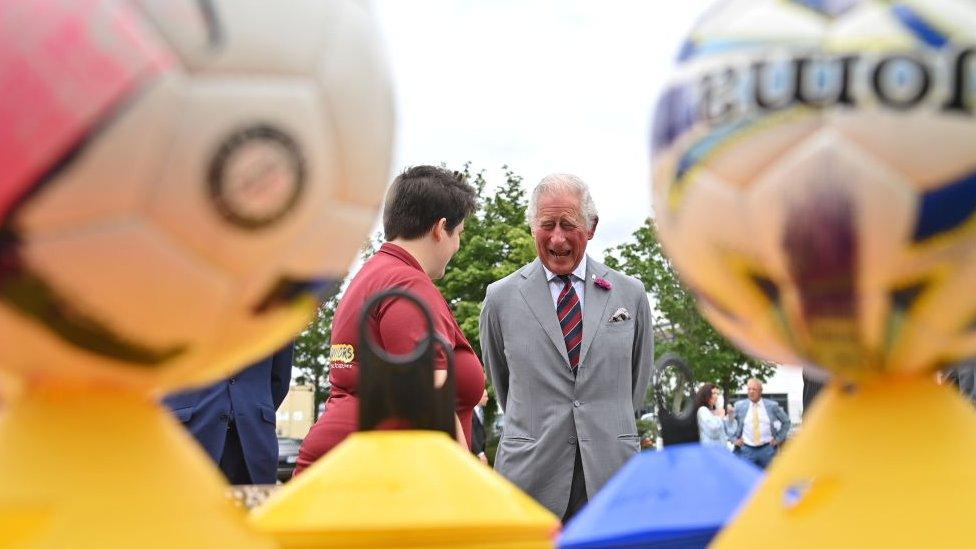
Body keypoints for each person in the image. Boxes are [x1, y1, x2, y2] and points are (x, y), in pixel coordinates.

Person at [479, 173, 654, 522]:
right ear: (532, 227)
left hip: (610, 473)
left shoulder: (629, 294)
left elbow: (637, 381)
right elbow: (503, 384)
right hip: (531, 476)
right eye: (547, 225)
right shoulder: (500, 298)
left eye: (568, 224)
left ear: (591, 227)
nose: (557, 238)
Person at [294, 166, 484, 476]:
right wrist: (469, 484)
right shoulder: (408, 284)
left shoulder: (373, 274)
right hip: (368, 475)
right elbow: (431, 401)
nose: (457, 246)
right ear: (440, 228)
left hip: (349, 464)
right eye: (459, 234)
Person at [164, 341, 294, 485]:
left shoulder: (279, 317)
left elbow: (280, 377)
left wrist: (251, 409)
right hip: (188, 434)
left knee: (254, 506)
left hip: (254, 441)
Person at [731, 378, 791, 469]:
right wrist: (734, 439)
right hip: (747, 449)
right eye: (749, 389)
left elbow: (786, 422)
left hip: (767, 449)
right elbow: (728, 422)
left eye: (754, 389)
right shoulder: (739, 406)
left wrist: (778, 439)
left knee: (767, 479)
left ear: (760, 391)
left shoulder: (772, 406)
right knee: (748, 478)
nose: (751, 392)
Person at [693, 383, 736, 448]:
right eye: (713, 393)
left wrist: (731, 415)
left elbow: (730, 432)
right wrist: (720, 416)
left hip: (721, 452)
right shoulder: (702, 410)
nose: (716, 396)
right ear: (706, 395)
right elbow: (713, 431)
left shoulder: (715, 412)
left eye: (717, 394)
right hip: (710, 452)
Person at [471, 389, 489, 465]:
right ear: (479, 397)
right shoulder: (470, 413)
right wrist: (480, 453)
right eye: (485, 396)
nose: (487, 399)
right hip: (475, 455)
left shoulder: (481, 411)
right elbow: (471, 434)